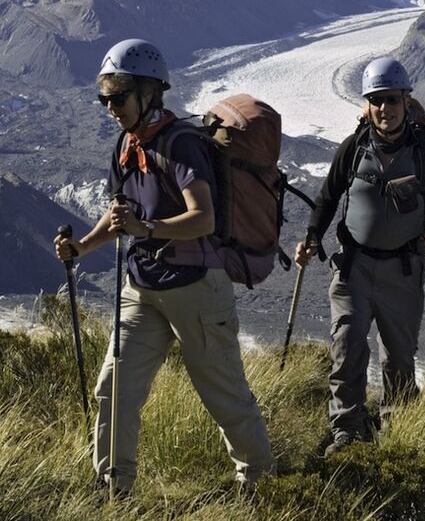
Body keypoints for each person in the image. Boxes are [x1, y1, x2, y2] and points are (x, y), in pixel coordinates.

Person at [53, 38, 276, 495]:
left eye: (119, 95)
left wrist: (146, 227)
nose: (110, 106)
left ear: (150, 92)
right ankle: (113, 487)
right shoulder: (126, 144)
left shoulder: (181, 146)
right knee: (114, 388)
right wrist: (82, 248)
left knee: (224, 395)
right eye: (105, 97)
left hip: (197, 288)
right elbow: (120, 215)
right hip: (144, 287)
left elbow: (204, 218)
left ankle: (260, 483)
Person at [295, 56, 425, 455]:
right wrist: (313, 235)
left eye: (393, 100)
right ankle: (346, 429)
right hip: (354, 266)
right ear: (367, 105)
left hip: (403, 268)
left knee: (399, 358)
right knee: (347, 346)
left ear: (406, 100)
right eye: (377, 100)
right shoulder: (353, 148)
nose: (385, 108)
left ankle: (396, 426)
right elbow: (328, 196)